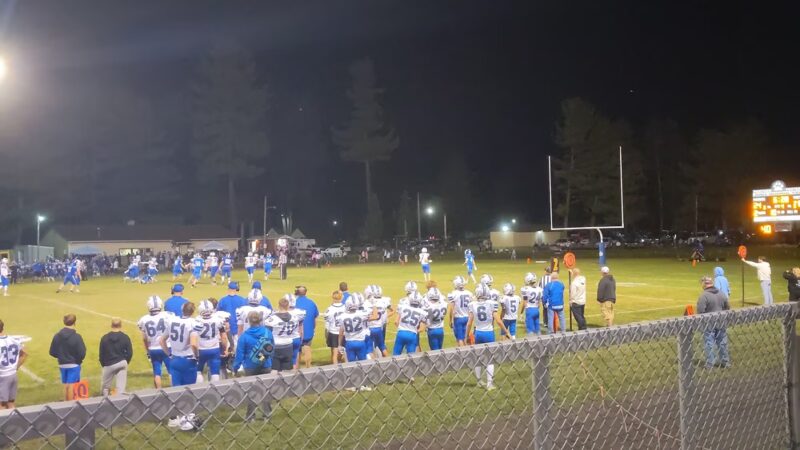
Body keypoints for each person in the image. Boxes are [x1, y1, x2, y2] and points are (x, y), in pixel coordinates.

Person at [232, 311, 274, 421]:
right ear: (260, 320)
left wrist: (235, 368)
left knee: (251, 392)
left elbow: (239, 354)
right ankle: (267, 414)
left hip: (250, 366)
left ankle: (251, 416)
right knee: (265, 389)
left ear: (248, 321)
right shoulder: (267, 332)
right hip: (265, 364)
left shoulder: (244, 336)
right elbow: (272, 348)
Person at [467, 283, 510, 391]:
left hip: (478, 333)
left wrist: (466, 336)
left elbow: (469, 323)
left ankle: (478, 381)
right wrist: (506, 332)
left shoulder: (472, 304)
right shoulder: (491, 303)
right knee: (490, 359)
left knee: (478, 358)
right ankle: (489, 384)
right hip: (489, 333)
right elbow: (499, 321)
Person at [49, 314, 86, 401]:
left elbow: (52, 352)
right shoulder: (77, 337)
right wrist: (78, 360)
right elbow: (82, 353)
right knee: (71, 385)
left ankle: (65, 404)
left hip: (62, 364)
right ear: (75, 323)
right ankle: (70, 406)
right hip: (74, 364)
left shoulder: (57, 336)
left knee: (65, 384)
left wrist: (61, 356)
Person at [138, 296, 172, 388]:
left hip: (153, 348)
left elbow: (144, 339)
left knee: (157, 373)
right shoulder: (167, 315)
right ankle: (174, 390)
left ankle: (158, 392)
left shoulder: (143, 319)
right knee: (171, 371)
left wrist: (148, 352)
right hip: (167, 347)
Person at [697, 276, 731, 368]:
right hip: (721, 321)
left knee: (709, 342)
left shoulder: (703, 295)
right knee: (722, 342)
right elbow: (727, 307)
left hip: (709, 323)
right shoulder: (721, 293)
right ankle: (725, 362)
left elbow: (700, 311)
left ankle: (710, 363)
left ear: (704, 284)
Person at [265, 295, 304, 372]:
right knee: (288, 371)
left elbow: (267, 334)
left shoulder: (272, 319)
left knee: (274, 370)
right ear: (288, 306)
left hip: (276, 345)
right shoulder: (295, 317)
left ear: (279, 305)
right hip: (288, 344)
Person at [195, 300, 228, 383]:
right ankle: (214, 391)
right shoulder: (218, 320)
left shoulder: (196, 321)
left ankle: (200, 390)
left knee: (198, 371)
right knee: (215, 373)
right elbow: (223, 337)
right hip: (214, 349)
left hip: (201, 349)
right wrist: (225, 348)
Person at [98, 318, 132, 396]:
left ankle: (105, 403)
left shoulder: (105, 338)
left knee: (105, 388)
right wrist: (126, 361)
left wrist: (104, 364)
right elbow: (130, 352)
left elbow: (101, 354)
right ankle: (120, 404)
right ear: (120, 325)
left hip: (109, 364)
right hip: (122, 362)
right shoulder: (125, 337)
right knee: (121, 389)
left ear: (111, 325)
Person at [0, 319, 28, 409]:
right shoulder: (13, 339)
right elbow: (24, 353)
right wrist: (15, 367)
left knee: (1, 405)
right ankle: (15, 422)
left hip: (2, 377)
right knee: (11, 403)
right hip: (13, 375)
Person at [393, 291, 427, 356]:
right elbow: (422, 328)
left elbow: (396, 322)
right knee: (411, 357)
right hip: (412, 334)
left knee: (396, 355)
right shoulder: (422, 312)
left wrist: (401, 328)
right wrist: (414, 331)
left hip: (401, 333)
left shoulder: (403, 307)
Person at [294, 286, 319, 368]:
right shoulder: (312, 303)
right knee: (307, 348)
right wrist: (313, 329)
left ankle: (296, 368)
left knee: (297, 351)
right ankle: (308, 367)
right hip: (308, 332)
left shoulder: (294, 303)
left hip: (297, 332)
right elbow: (315, 319)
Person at [447, 276, 473, 347]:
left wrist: (450, 320)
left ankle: (463, 354)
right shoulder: (469, 293)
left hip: (458, 318)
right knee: (466, 336)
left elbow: (452, 309)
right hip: (467, 317)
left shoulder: (453, 294)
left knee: (459, 339)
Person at [324, 291, 347, 364]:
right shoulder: (345, 308)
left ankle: (334, 369)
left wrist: (326, 334)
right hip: (343, 332)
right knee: (343, 352)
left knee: (334, 352)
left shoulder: (329, 309)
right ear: (341, 298)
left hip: (333, 332)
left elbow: (327, 323)